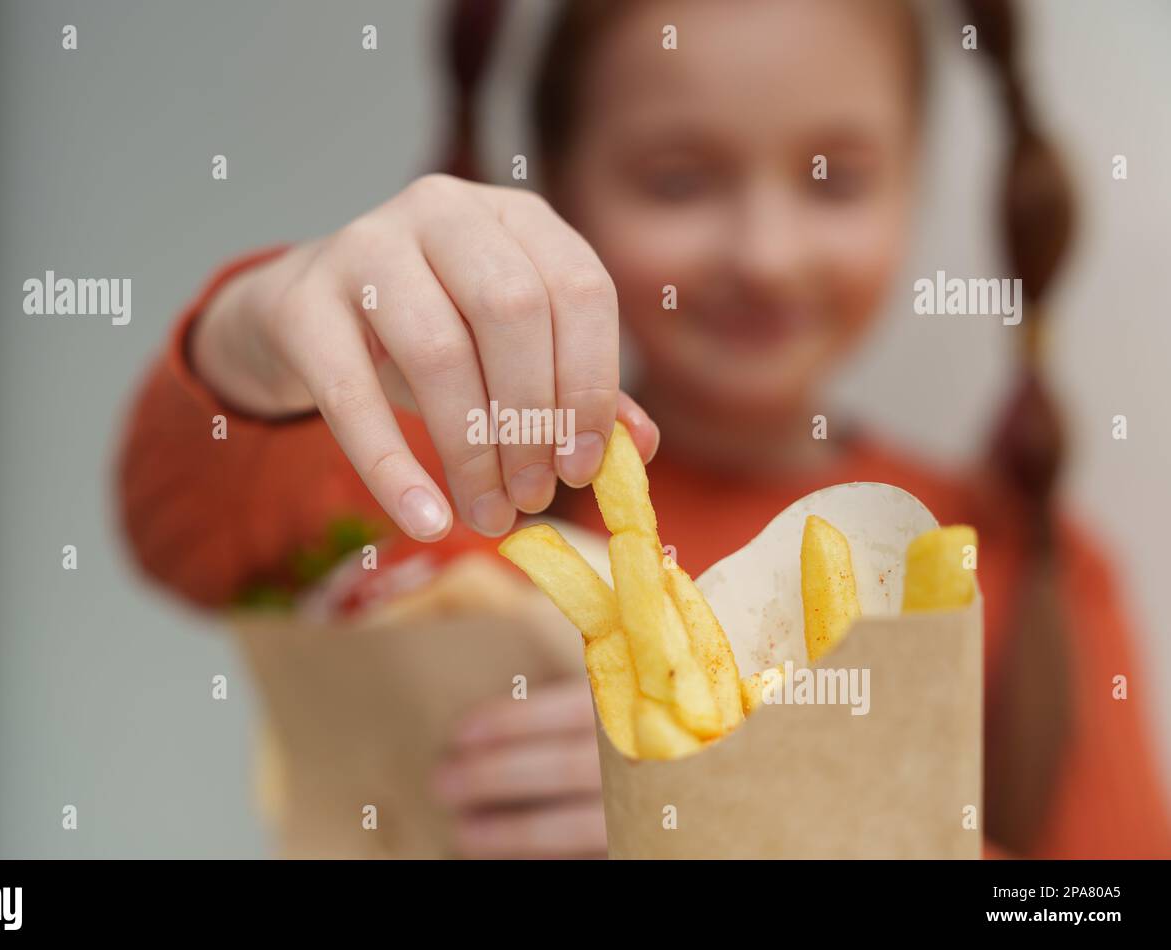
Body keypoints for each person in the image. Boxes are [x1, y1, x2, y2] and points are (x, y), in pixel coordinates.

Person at [116, 0, 1171, 858]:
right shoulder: (448, 486)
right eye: (678, 180)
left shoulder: (1027, 568)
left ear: (913, 181)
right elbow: (189, 533)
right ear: (563, 186)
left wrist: (796, 822)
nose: (763, 252)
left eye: (832, 179)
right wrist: (259, 335)